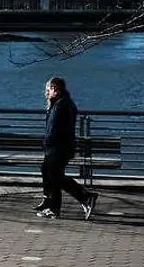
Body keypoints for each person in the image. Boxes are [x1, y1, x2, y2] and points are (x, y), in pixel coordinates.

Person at [36, 76, 98, 220]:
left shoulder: (60, 106)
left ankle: (59, 206)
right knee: (50, 173)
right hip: (57, 147)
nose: (46, 93)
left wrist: (49, 142)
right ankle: (52, 202)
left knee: (55, 176)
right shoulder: (61, 103)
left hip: (58, 147)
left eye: (48, 90)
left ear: (55, 90)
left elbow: (55, 129)